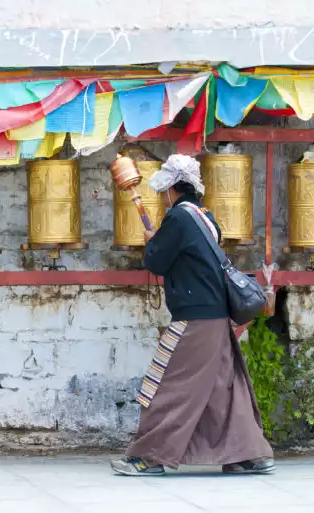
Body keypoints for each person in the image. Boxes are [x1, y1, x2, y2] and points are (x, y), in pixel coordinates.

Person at [110, 154, 274, 477]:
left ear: (173, 188)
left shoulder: (179, 219)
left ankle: (150, 457)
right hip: (216, 316)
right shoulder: (206, 218)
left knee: (169, 383)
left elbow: (157, 261)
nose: (161, 196)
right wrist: (157, 243)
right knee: (222, 387)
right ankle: (246, 453)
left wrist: (150, 243)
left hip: (194, 320)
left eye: (164, 190)